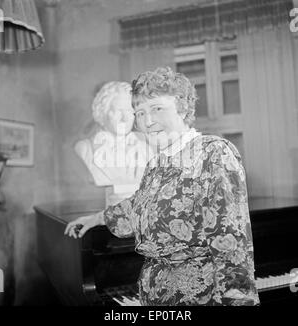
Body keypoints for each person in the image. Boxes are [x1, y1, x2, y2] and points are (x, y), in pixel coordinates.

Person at [65, 67, 260, 306]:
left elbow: (231, 245)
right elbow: (138, 206)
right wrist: (96, 218)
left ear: (182, 108)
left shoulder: (214, 153)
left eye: (157, 108)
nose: (147, 121)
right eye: (140, 112)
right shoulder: (156, 164)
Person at [74, 81, 150, 188]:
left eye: (129, 111)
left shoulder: (146, 149)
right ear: (102, 112)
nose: (124, 118)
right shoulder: (85, 149)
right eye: (118, 111)